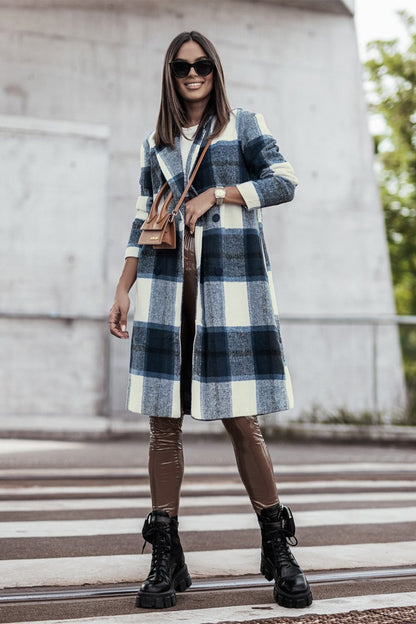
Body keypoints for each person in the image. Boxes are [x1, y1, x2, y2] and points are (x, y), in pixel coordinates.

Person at [109, 31, 312, 611]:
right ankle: (166, 554)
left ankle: (278, 545)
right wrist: (123, 288)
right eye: (181, 67)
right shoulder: (157, 142)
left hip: (231, 299)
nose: (192, 74)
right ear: (170, 76)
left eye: (201, 66)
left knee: (243, 423)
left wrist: (218, 194)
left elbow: (285, 181)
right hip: (166, 295)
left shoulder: (243, 125)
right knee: (163, 426)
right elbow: (140, 217)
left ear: (214, 71)